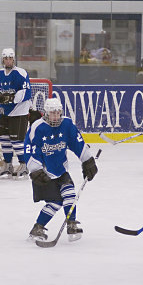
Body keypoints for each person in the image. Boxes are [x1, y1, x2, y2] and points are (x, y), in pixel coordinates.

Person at [25, 98, 98, 242]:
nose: (56, 116)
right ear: (45, 113)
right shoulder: (38, 127)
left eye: (58, 113)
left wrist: (87, 160)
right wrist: (35, 169)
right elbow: (30, 149)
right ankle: (37, 228)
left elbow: (77, 142)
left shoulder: (67, 124)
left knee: (70, 191)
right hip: (44, 173)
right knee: (55, 202)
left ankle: (71, 224)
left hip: (61, 168)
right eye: (52, 113)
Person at [0, 48, 32, 179]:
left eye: (10, 58)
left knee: (17, 140)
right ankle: (8, 165)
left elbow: (26, 91)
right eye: (5, 58)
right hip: (4, 111)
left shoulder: (21, 72)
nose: (8, 60)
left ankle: (24, 164)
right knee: (4, 139)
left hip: (19, 112)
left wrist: (12, 98)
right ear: (2, 60)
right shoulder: (0, 73)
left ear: (13, 59)